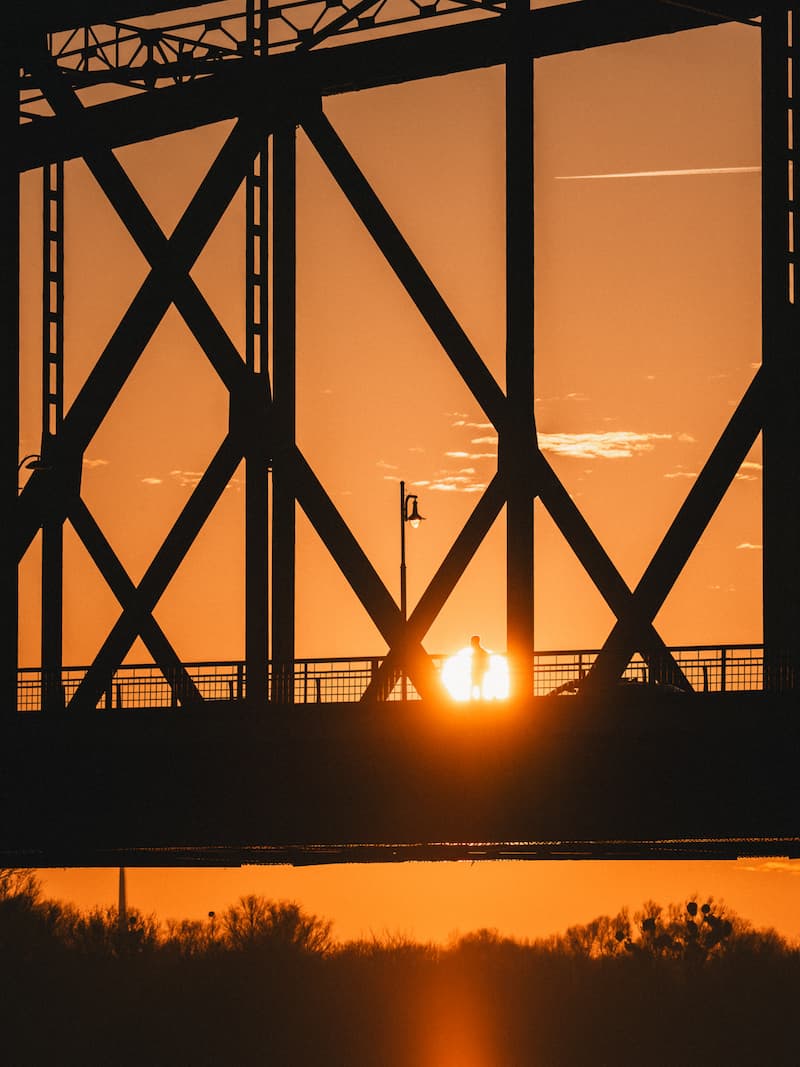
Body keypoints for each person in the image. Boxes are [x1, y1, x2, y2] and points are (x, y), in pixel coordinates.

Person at [470, 635, 490, 699]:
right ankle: (477, 698)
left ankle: (475, 698)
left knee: (477, 684)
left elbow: (486, 659)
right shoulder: (481, 652)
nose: (471, 643)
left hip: (478, 670)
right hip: (477, 670)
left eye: (472, 642)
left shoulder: (479, 652)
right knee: (477, 684)